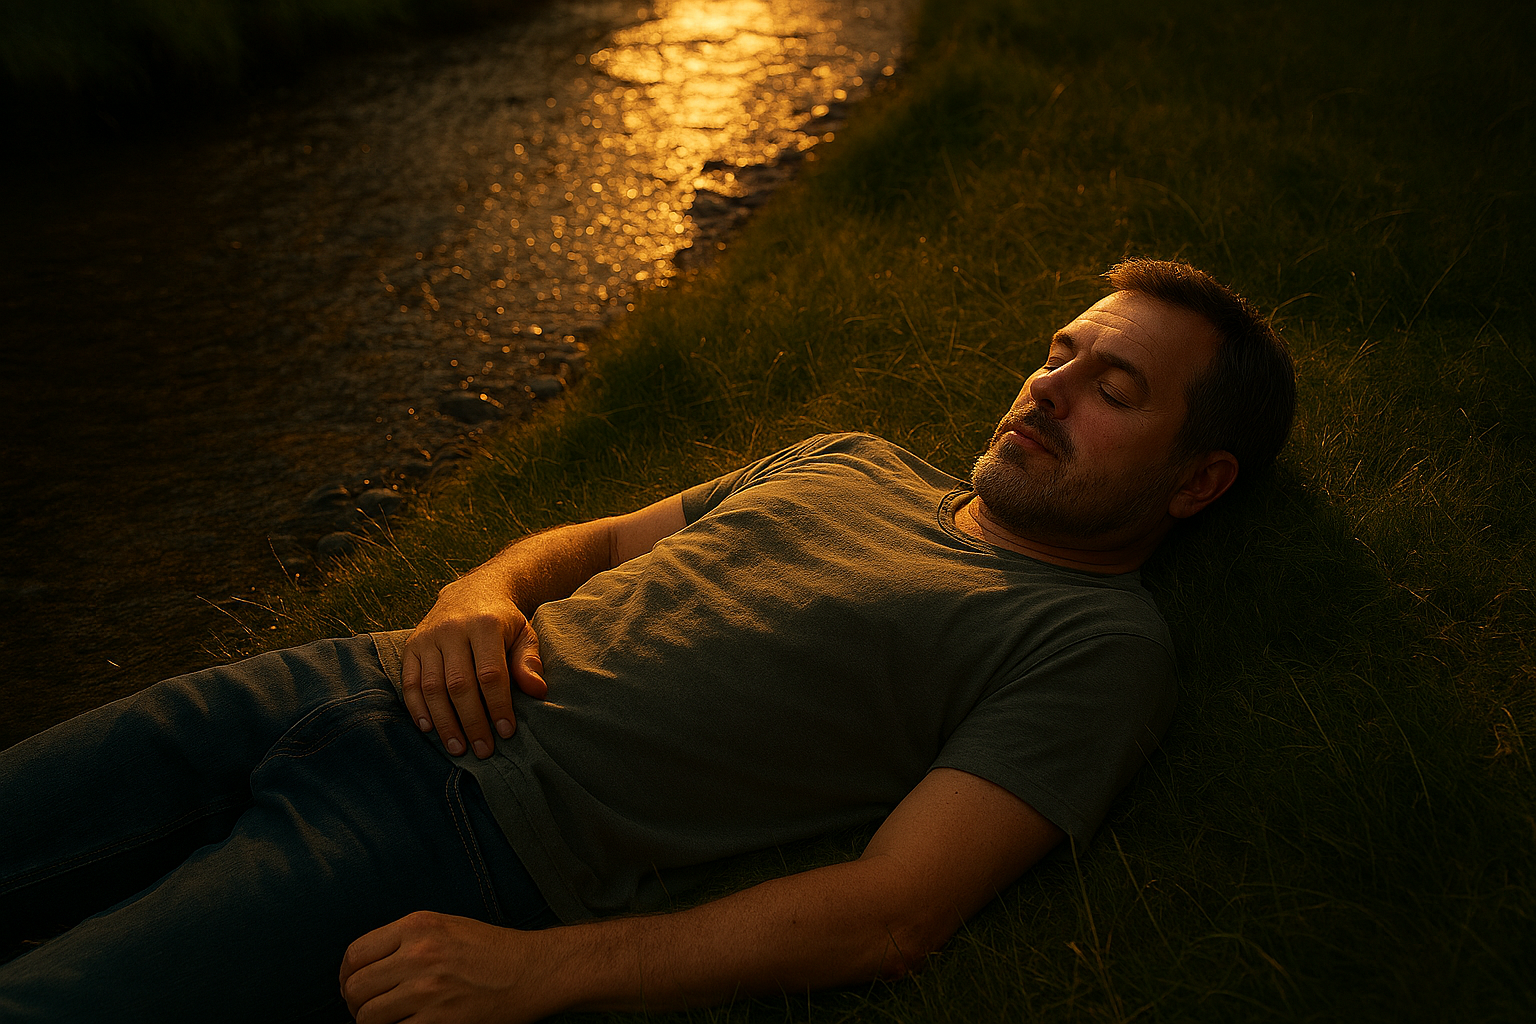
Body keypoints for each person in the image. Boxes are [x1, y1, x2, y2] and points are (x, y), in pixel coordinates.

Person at [0, 258, 1294, 1023]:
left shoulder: (1094, 644)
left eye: (1113, 390)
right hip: (352, 673)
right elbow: (597, 543)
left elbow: (893, 912)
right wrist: (477, 592)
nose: (1048, 386)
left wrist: (537, 974)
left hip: (452, 835)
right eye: (1060, 353)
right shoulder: (852, 458)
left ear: (1196, 485)